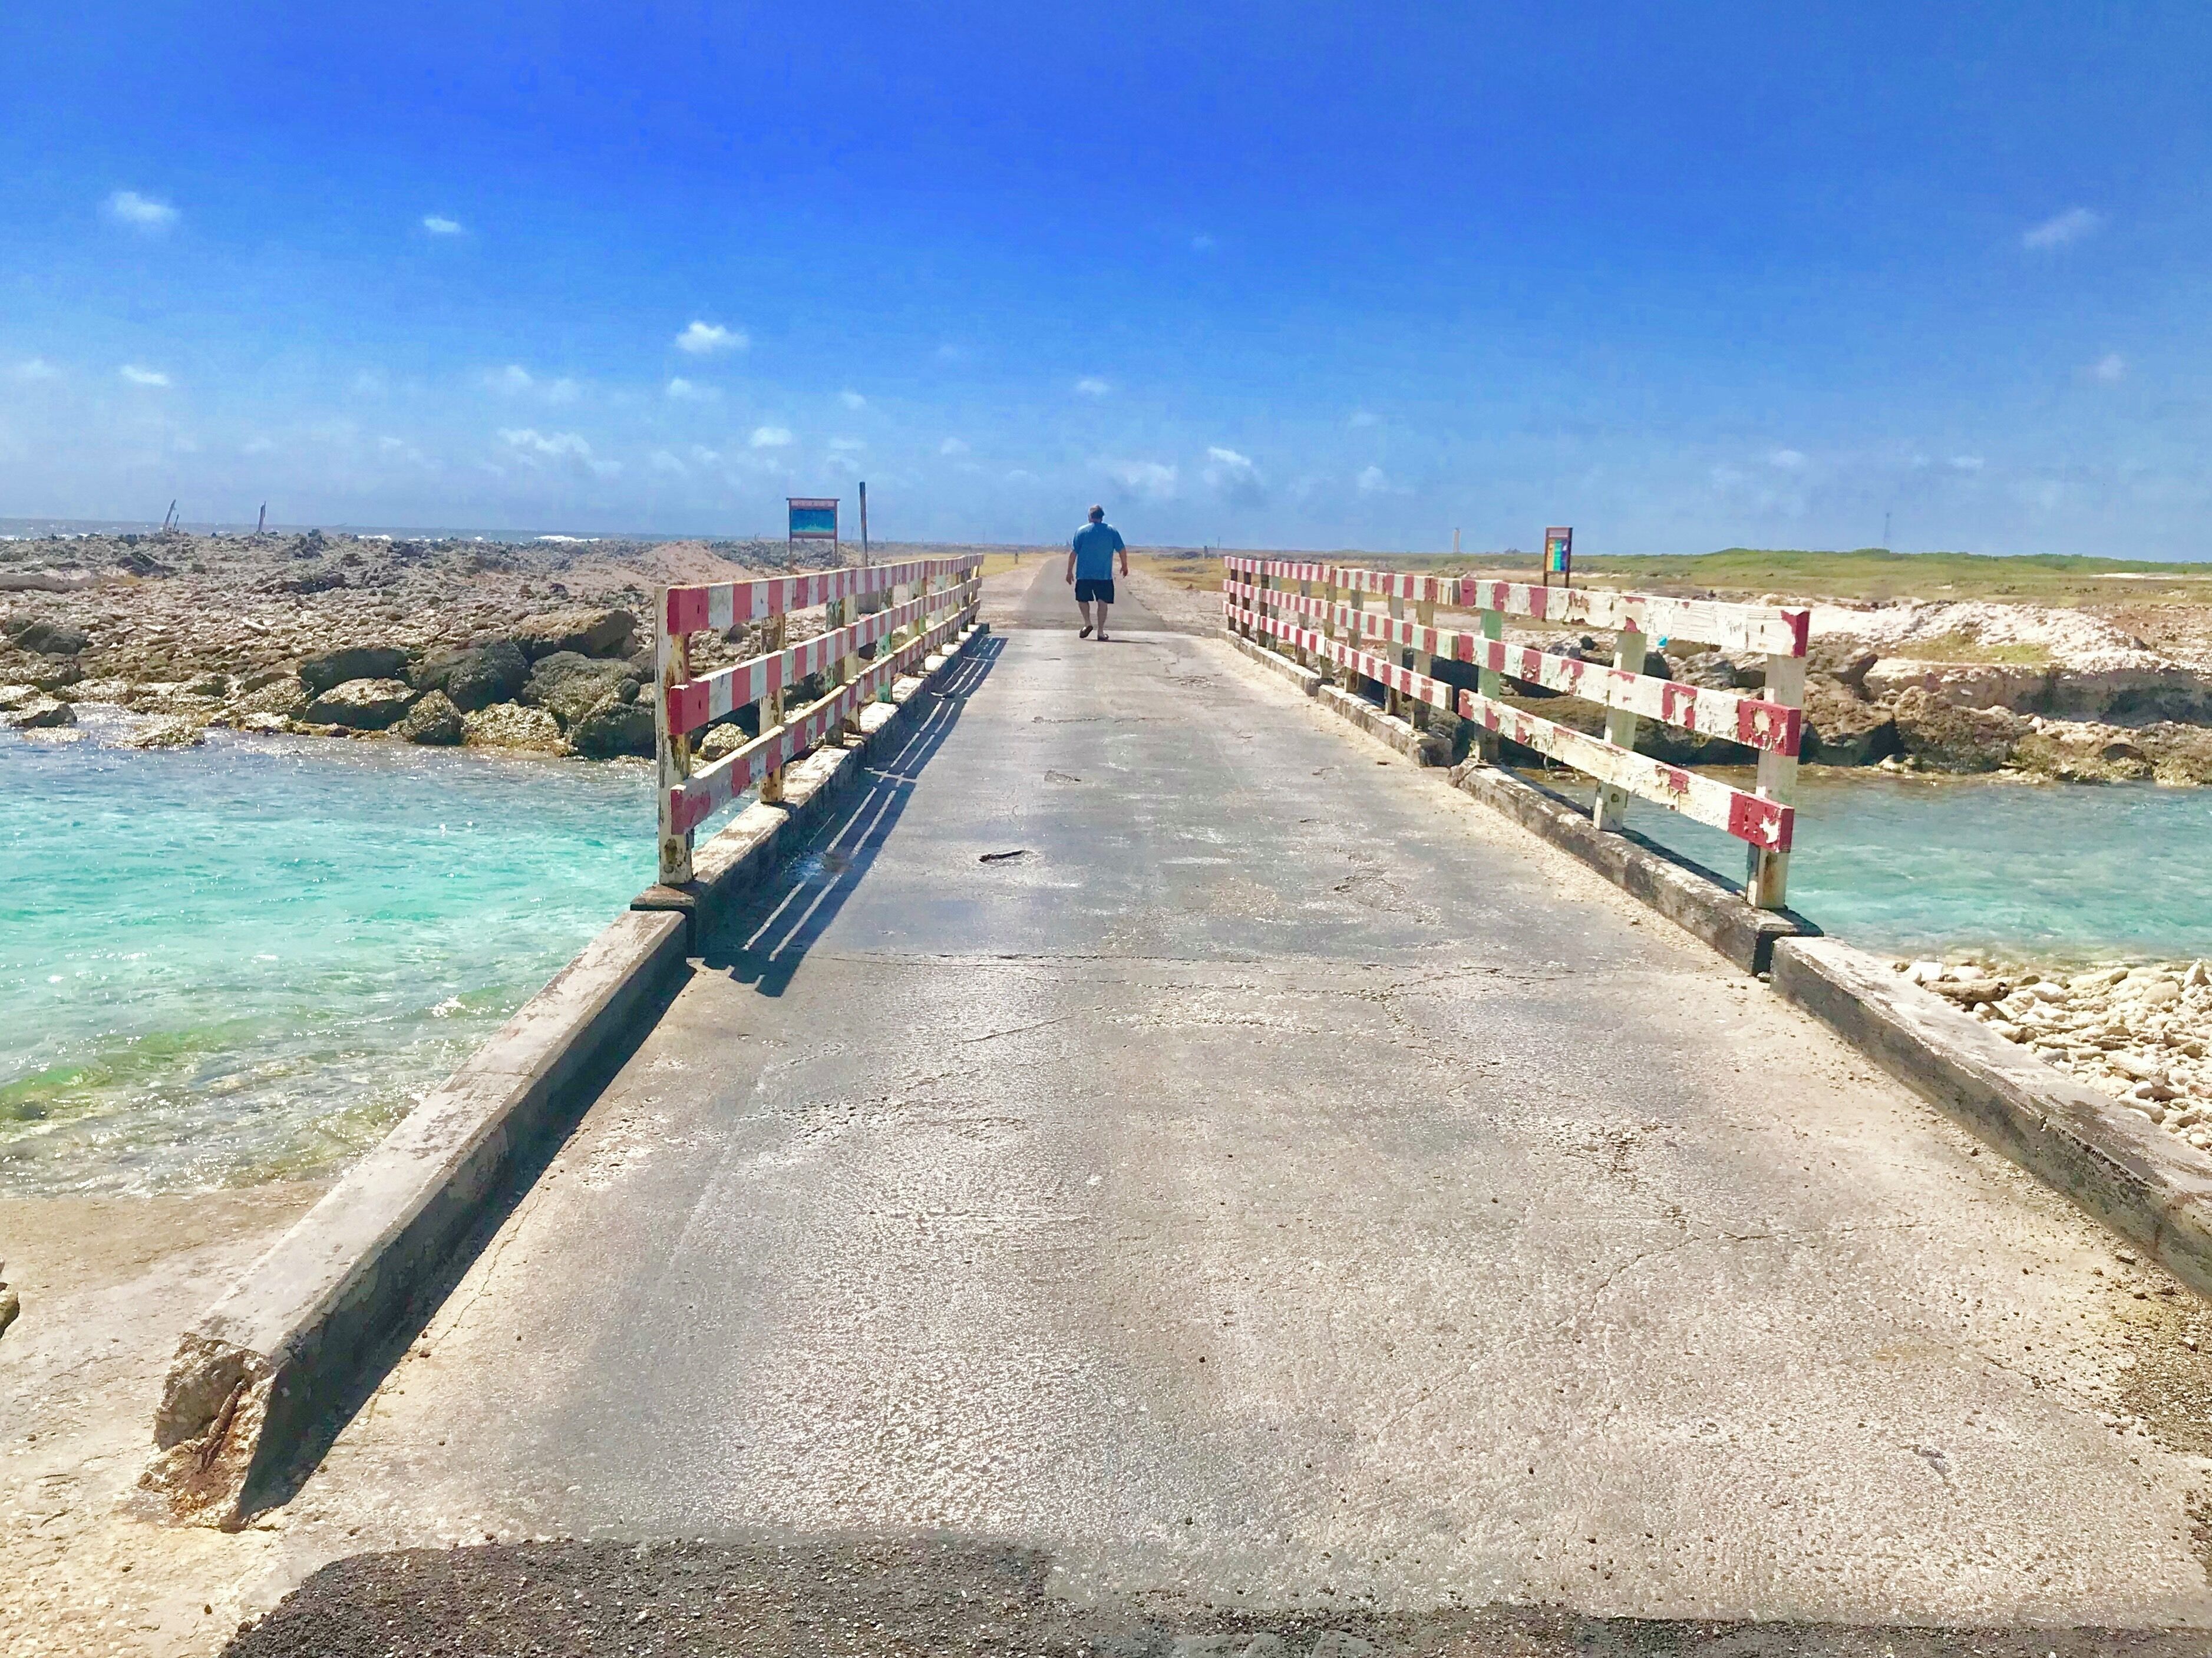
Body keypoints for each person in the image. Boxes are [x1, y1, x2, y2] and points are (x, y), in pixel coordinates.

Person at [1065, 505, 1128, 641]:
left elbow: (1073, 553)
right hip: (1104, 575)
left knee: (1082, 599)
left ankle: (1087, 623)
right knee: (1103, 602)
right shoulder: (1111, 531)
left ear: (1090, 517)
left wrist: (1069, 571)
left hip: (1084, 574)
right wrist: (1125, 566)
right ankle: (1100, 632)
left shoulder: (1081, 531)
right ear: (1102, 517)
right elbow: (1122, 550)